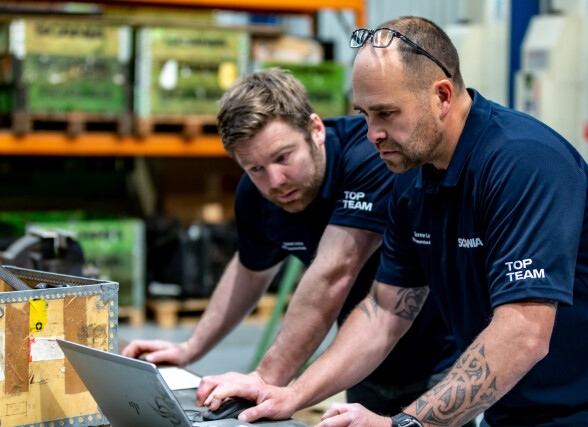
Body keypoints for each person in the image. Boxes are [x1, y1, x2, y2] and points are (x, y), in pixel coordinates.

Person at [207, 17, 588, 427]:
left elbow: (524, 331)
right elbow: (384, 312)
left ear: (443, 96)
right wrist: (290, 394)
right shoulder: (410, 180)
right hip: (514, 411)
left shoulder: (523, 162)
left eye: (386, 113)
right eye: (364, 115)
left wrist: (404, 422)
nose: (372, 133)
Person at [121, 68, 460, 416]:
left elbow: (335, 272)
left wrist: (266, 377)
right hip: (360, 361)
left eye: (283, 157)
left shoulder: (372, 156)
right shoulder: (256, 194)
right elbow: (249, 271)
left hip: (438, 361)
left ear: (316, 130)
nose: (275, 181)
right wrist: (190, 347)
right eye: (255, 168)